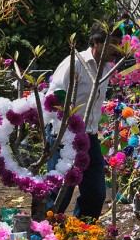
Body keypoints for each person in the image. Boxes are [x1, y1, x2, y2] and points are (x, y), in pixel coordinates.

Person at [47, 22, 123, 219]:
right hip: (64, 136)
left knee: (96, 194)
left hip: (89, 137)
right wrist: (62, 132)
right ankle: (46, 232)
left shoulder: (106, 68)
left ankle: (82, 232)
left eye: (119, 43)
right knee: (59, 193)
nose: (117, 49)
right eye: (113, 43)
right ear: (97, 42)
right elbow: (54, 98)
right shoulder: (75, 63)